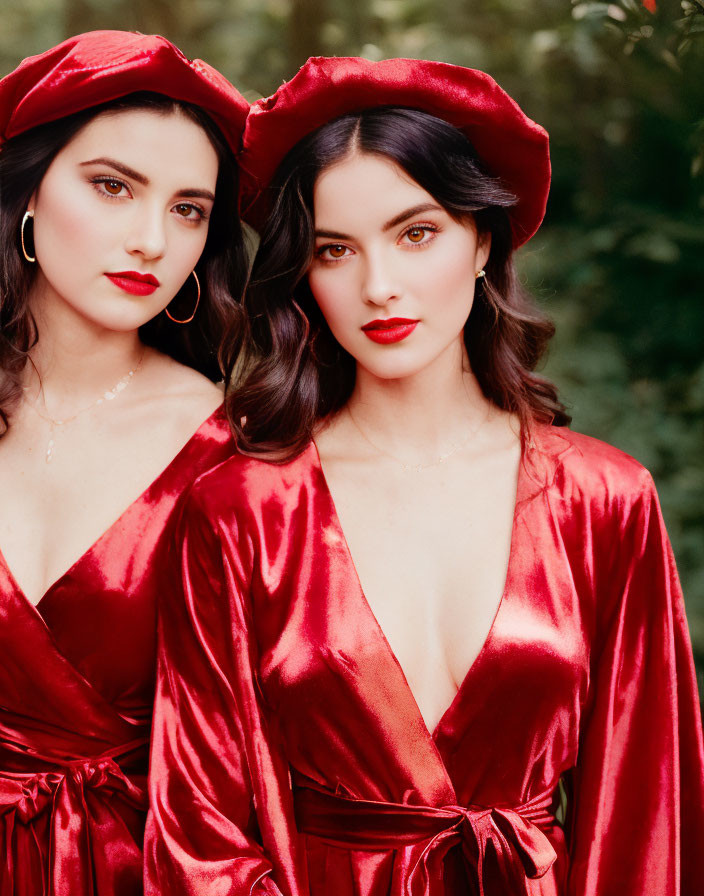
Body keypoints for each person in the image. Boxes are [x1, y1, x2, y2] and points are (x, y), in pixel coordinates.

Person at [145, 57, 704, 895]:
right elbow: (200, 834)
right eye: (336, 250)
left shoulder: (606, 500)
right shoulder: (239, 510)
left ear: (482, 240)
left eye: (416, 233)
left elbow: (647, 811)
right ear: (303, 274)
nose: (379, 286)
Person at [0, 30, 249, 895]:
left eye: (189, 209)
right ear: (27, 190)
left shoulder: (234, 451)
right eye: (112, 187)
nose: (151, 238)